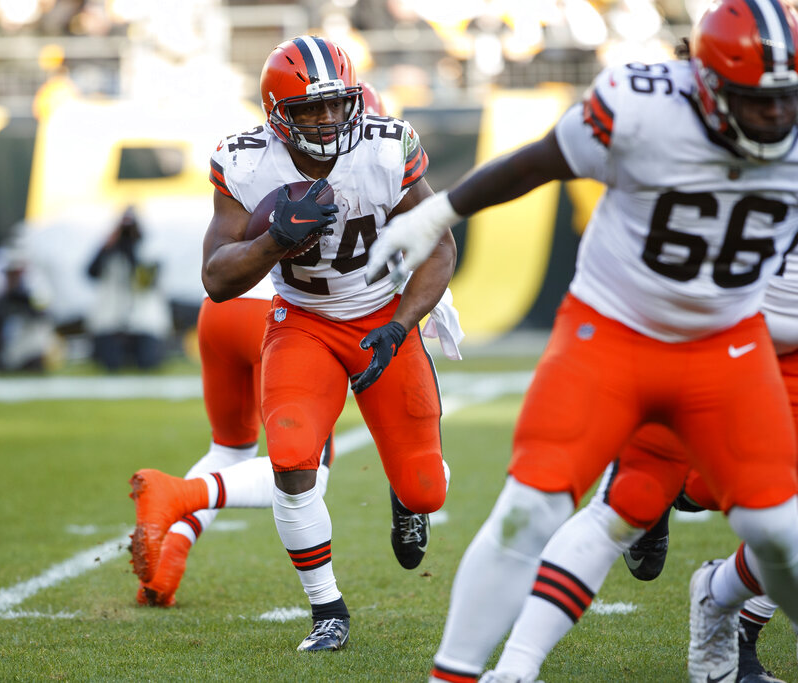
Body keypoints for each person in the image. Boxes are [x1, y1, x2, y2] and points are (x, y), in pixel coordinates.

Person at [366, 1, 798, 680]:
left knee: (781, 532)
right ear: (709, 86)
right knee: (528, 508)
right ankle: (464, 673)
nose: (776, 117)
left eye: (786, 99)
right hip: (613, 332)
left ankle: (725, 608)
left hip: (727, 344)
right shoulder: (643, 103)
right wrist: (439, 212)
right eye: (758, 101)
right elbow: (542, 161)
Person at [156, 35, 457, 652]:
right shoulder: (245, 161)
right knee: (294, 462)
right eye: (308, 109)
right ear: (276, 113)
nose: (325, 120)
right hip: (303, 321)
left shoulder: (385, 146)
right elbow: (216, 280)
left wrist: (399, 326)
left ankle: (408, 501)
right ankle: (328, 610)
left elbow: (441, 245)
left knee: (428, 487)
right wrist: (272, 245)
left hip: (379, 317)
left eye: (335, 104)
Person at [86, 206, 172, 371]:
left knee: (148, 362)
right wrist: (107, 247)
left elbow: (144, 282)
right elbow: (91, 273)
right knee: (111, 363)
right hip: (111, 321)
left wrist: (130, 251)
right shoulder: (109, 251)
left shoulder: (151, 251)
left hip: (144, 322)